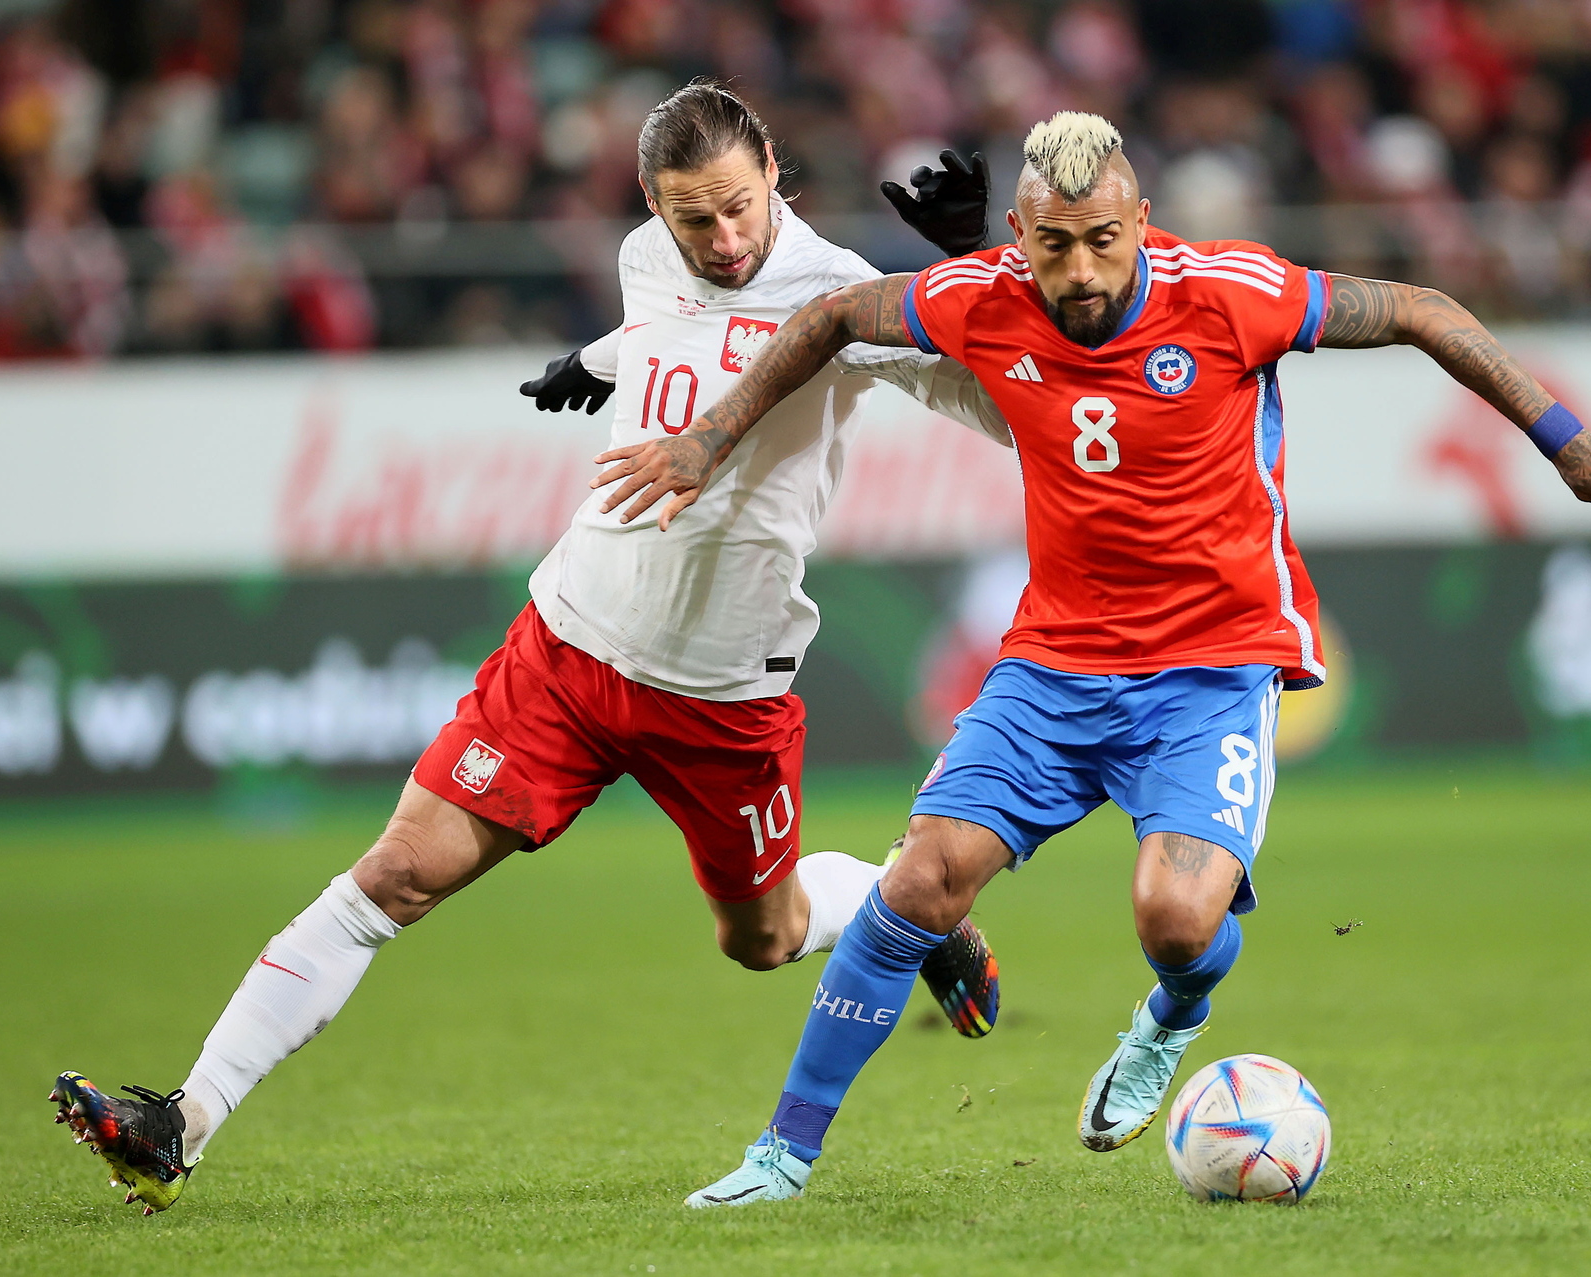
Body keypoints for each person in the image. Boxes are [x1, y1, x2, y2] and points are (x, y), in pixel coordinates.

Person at [592, 111, 1591, 1207]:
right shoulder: (980, 297)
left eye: (1104, 238)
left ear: (1142, 221)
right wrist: (706, 437)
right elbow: (828, 316)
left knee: (1177, 921)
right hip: (1052, 667)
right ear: (1019, 235)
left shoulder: (1236, 292)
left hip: (1211, 667)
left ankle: (1173, 1017)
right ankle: (782, 1156)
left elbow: (1423, 310)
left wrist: (1565, 436)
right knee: (919, 882)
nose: (1082, 268)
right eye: (1054, 245)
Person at [49, 83, 1008, 1215]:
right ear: (655, 204)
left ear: (774, 179)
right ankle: (183, 1120)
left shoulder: (841, 293)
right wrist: (595, 364)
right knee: (393, 876)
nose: (725, 240)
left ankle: (918, 906)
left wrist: (980, 280)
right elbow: (665, 326)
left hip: (723, 695)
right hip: (569, 649)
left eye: (741, 208)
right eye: (695, 217)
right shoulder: (646, 258)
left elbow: (1004, 407)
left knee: (765, 938)